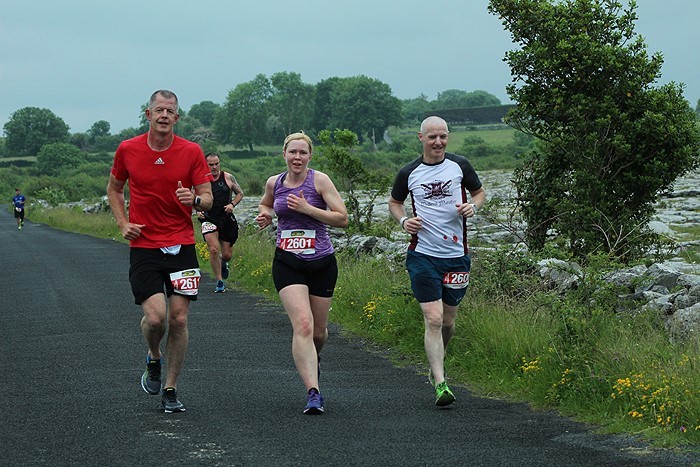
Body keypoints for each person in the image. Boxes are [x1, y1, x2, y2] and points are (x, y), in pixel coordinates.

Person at [106, 90, 214, 413]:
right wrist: (123, 223)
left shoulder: (192, 151)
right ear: (148, 114)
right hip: (144, 245)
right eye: (159, 110)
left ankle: (170, 388)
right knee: (156, 318)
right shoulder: (128, 149)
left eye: (170, 111)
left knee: (179, 320)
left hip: (182, 244)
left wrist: (193, 200)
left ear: (177, 118)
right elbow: (114, 188)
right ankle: (153, 357)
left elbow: (207, 198)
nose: (164, 115)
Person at [388, 116, 486, 408]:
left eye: (443, 136)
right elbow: (394, 202)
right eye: (432, 137)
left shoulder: (460, 166)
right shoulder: (409, 172)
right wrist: (404, 220)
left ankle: (436, 367)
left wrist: (473, 206)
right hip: (422, 255)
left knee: (448, 322)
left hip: (456, 257)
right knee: (432, 318)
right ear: (421, 137)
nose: (438, 142)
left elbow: (479, 193)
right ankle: (441, 383)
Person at [255, 132, 348, 415]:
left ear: (310, 156)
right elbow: (266, 203)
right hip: (288, 261)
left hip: (321, 261)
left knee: (318, 333)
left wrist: (308, 208)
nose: (297, 157)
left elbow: (342, 218)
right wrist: (266, 214)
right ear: (284, 154)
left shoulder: (319, 181)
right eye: (292, 152)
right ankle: (313, 392)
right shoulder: (275, 182)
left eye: (302, 153)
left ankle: (313, 358)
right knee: (304, 325)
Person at [196, 153, 244, 293]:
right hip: (208, 217)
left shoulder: (228, 177)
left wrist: (232, 204)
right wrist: (197, 210)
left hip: (226, 217)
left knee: (227, 254)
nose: (214, 167)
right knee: (213, 249)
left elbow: (240, 193)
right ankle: (219, 281)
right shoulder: (200, 180)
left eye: (217, 163)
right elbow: (193, 197)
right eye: (211, 165)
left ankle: (224, 263)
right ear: (206, 165)